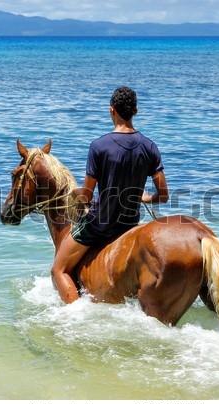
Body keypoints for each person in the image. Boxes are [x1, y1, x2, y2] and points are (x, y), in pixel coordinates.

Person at [50, 86, 169, 303]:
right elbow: (163, 195)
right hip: (131, 224)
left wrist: (74, 192)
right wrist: (146, 198)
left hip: (100, 225)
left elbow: (86, 196)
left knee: (58, 270)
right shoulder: (150, 147)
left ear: (111, 110)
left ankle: (75, 318)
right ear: (136, 110)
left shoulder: (98, 146)